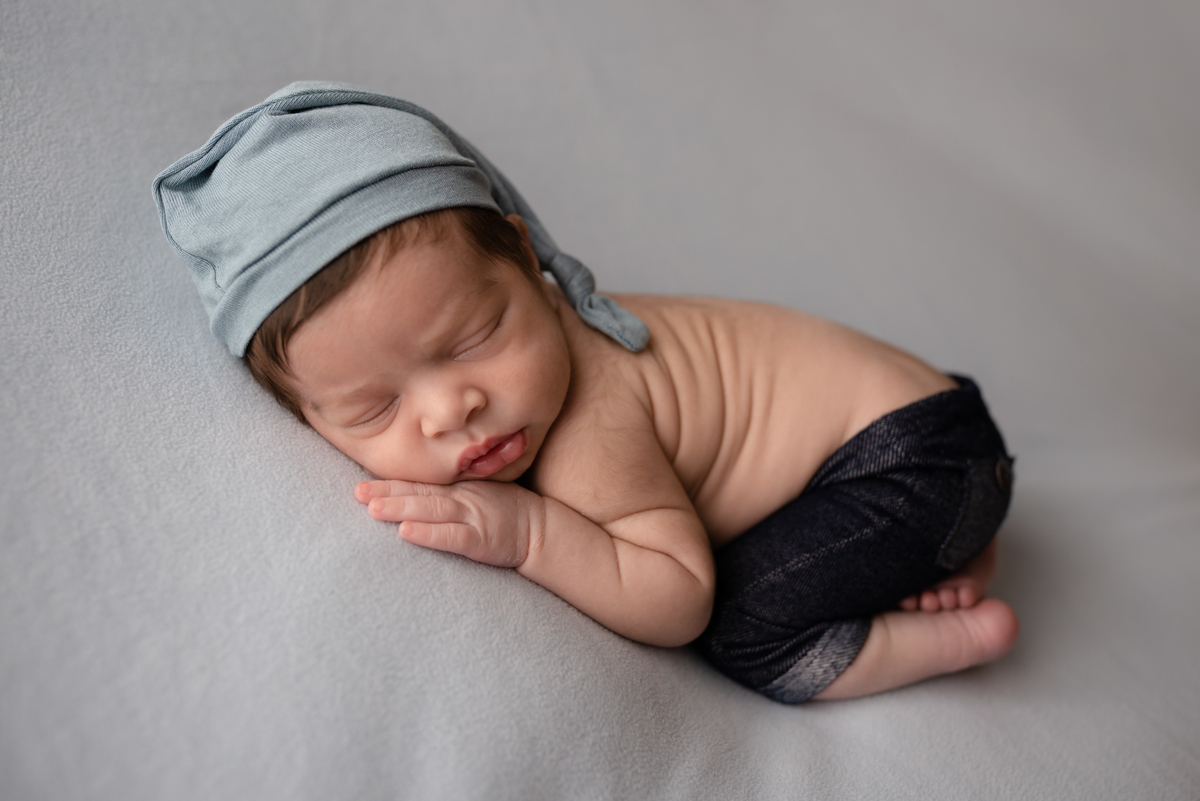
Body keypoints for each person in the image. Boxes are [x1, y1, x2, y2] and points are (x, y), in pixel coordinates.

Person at [154, 82, 1018, 703]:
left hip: (915, 460)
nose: (451, 409)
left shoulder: (589, 427)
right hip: (930, 430)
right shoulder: (526, 369)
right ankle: (946, 546)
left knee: (747, 624)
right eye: (374, 409)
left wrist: (530, 532)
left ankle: (947, 633)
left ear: (529, 265)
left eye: (471, 340)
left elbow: (679, 597)